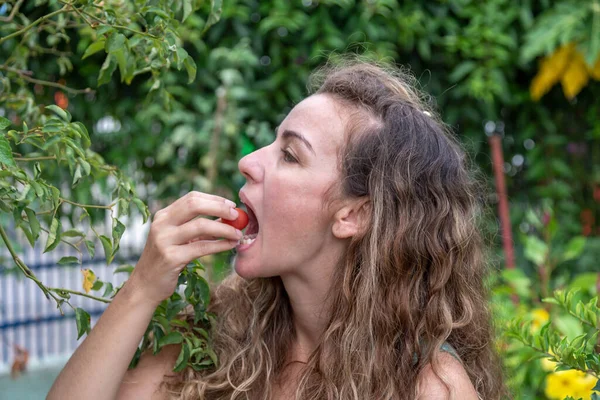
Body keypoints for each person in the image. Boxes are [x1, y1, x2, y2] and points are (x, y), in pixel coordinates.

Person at [47, 57, 505, 400]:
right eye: (272, 142)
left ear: (353, 214)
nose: (248, 162)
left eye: (290, 155)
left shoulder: (428, 387)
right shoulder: (216, 336)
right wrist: (142, 289)